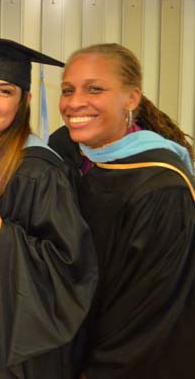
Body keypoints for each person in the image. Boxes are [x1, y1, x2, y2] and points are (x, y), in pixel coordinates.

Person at [0, 31, 98, 379]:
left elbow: (72, 268)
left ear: (24, 100)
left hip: (8, 345)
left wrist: (1, 230)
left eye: (3, 91)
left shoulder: (39, 170)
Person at [48, 43, 195, 379]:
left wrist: (98, 369)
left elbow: (150, 307)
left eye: (95, 89)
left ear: (132, 98)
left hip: (134, 363)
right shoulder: (77, 159)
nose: (74, 102)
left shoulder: (160, 184)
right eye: (68, 90)